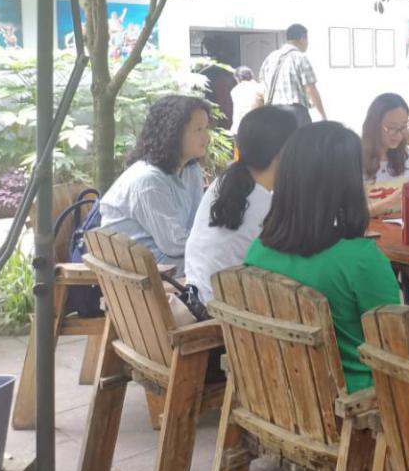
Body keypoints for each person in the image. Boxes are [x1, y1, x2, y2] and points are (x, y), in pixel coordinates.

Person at [244, 122, 401, 393]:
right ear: (347, 183)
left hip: (279, 390)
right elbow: (396, 343)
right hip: (354, 401)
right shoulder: (361, 259)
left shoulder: (257, 251)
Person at [184, 106, 298, 303]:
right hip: (229, 311)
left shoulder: (222, 183)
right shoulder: (268, 208)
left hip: (199, 297)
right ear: (284, 152)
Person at [99, 95, 211, 275]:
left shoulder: (191, 171)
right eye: (198, 129)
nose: (207, 136)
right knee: (225, 267)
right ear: (173, 133)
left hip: (170, 264)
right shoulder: (148, 180)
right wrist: (220, 243)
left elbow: (196, 225)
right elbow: (174, 244)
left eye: (206, 128)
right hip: (141, 273)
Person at [258, 23, 325, 126]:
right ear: (302, 39)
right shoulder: (300, 58)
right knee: (300, 137)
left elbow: (262, 85)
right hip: (295, 112)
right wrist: (322, 115)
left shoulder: (270, 57)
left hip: (273, 112)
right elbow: (310, 89)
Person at [228, 66, 264, 134]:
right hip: (256, 129)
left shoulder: (234, 91)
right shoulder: (260, 88)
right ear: (252, 75)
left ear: (237, 78)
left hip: (237, 129)